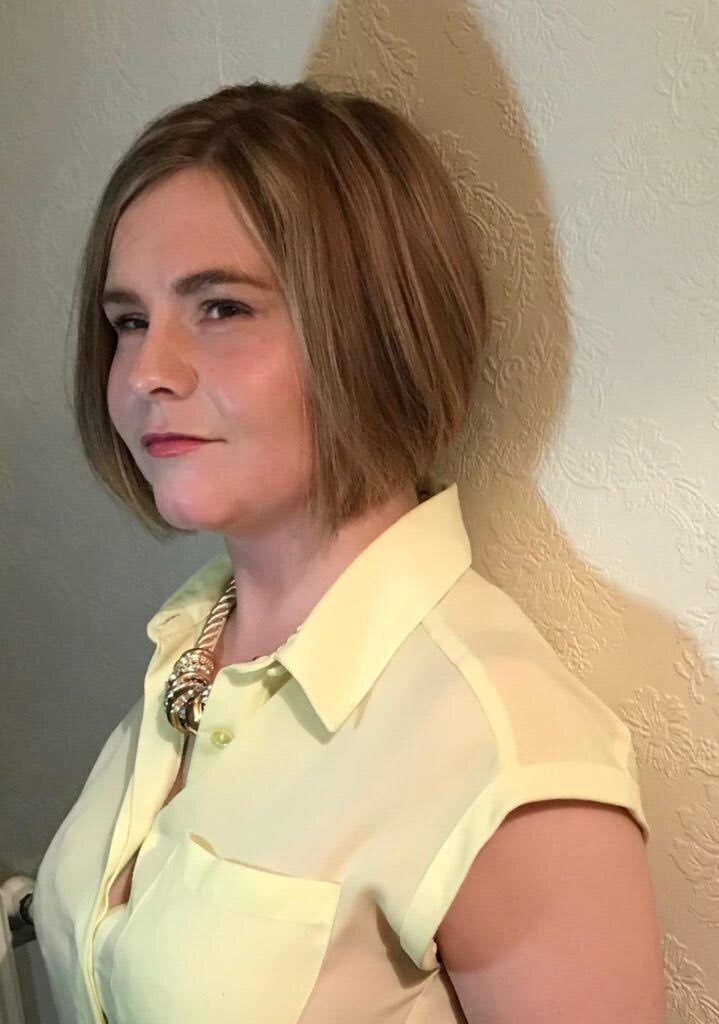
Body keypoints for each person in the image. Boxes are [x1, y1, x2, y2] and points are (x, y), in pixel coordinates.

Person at [32, 80, 666, 1024]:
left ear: (372, 330)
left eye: (220, 308)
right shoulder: (190, 648)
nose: (147, 372)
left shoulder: (501, 751)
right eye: (130, 321)